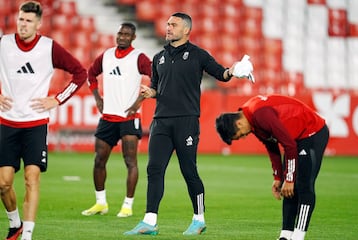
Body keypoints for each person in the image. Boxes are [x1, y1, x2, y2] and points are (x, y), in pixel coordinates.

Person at [124, 12, 253, 236]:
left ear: (186, 30)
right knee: (154, 169)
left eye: (174, 24)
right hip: (160, 122)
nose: (168, 27)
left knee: (188, 171)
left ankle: (199, 219)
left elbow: (221, 74)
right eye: (167, 24)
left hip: (186, 122)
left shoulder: (198, 55)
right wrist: (149, 92)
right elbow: (156, 87)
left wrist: (233, 71)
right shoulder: (158, 58)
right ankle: (149, 221)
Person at [0, 1, 87, 240]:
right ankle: (14, 222)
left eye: (28, 21)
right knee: (3, 183)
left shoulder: (49, 48)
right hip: (7, 122)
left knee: (31, 178)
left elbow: (81, 73)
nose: (23, 24)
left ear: (38, 24)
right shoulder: (4, 44)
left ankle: (27, 235)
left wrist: (57, 99)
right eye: (20, 19)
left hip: (36, 124)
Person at [215, 94, 329, 240]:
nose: (243, 137)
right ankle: (285, 236)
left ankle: (298, 236)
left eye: (239, 135)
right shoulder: (251, 118)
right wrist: (278, 177)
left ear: (238, 124)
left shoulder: (260, 114)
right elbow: (271, 146)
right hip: (295, 139)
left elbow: (289, 146)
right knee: (287, 188)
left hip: (312, 133)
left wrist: (289, 178)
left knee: (303, 185)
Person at [81, 22, 152, 218]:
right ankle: (100, 203)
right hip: (108, 117)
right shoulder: (106, 55)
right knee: (99, 160)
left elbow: (156, 76)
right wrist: (97, 97)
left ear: (133, 38)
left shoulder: (139, 58)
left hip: (129, 117)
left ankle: (127, 206)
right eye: (120, 33)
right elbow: (90, 74)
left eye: (126, 34)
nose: (121, 37)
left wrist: (139, 101)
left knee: (130, 161)